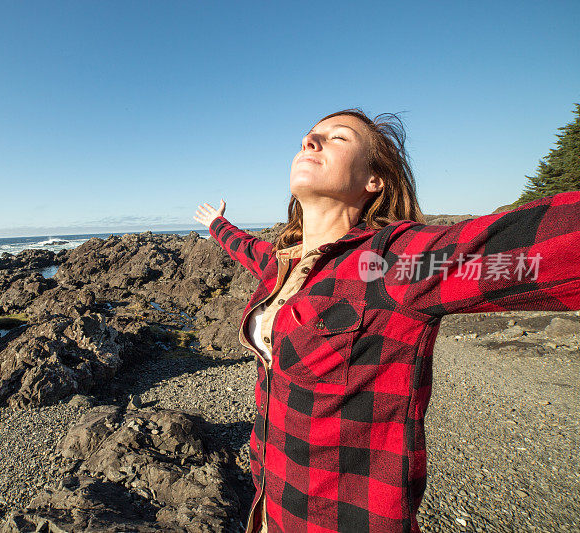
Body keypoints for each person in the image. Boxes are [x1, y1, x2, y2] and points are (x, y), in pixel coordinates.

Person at [193, 108, 580, 533]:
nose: (309, 142)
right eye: (308, 136)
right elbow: (247, 249)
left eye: (338, 138)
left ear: (373, 181)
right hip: (270, 508)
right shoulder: (284, 264)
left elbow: (543, 246)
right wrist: (217, 224)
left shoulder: (393, 263)